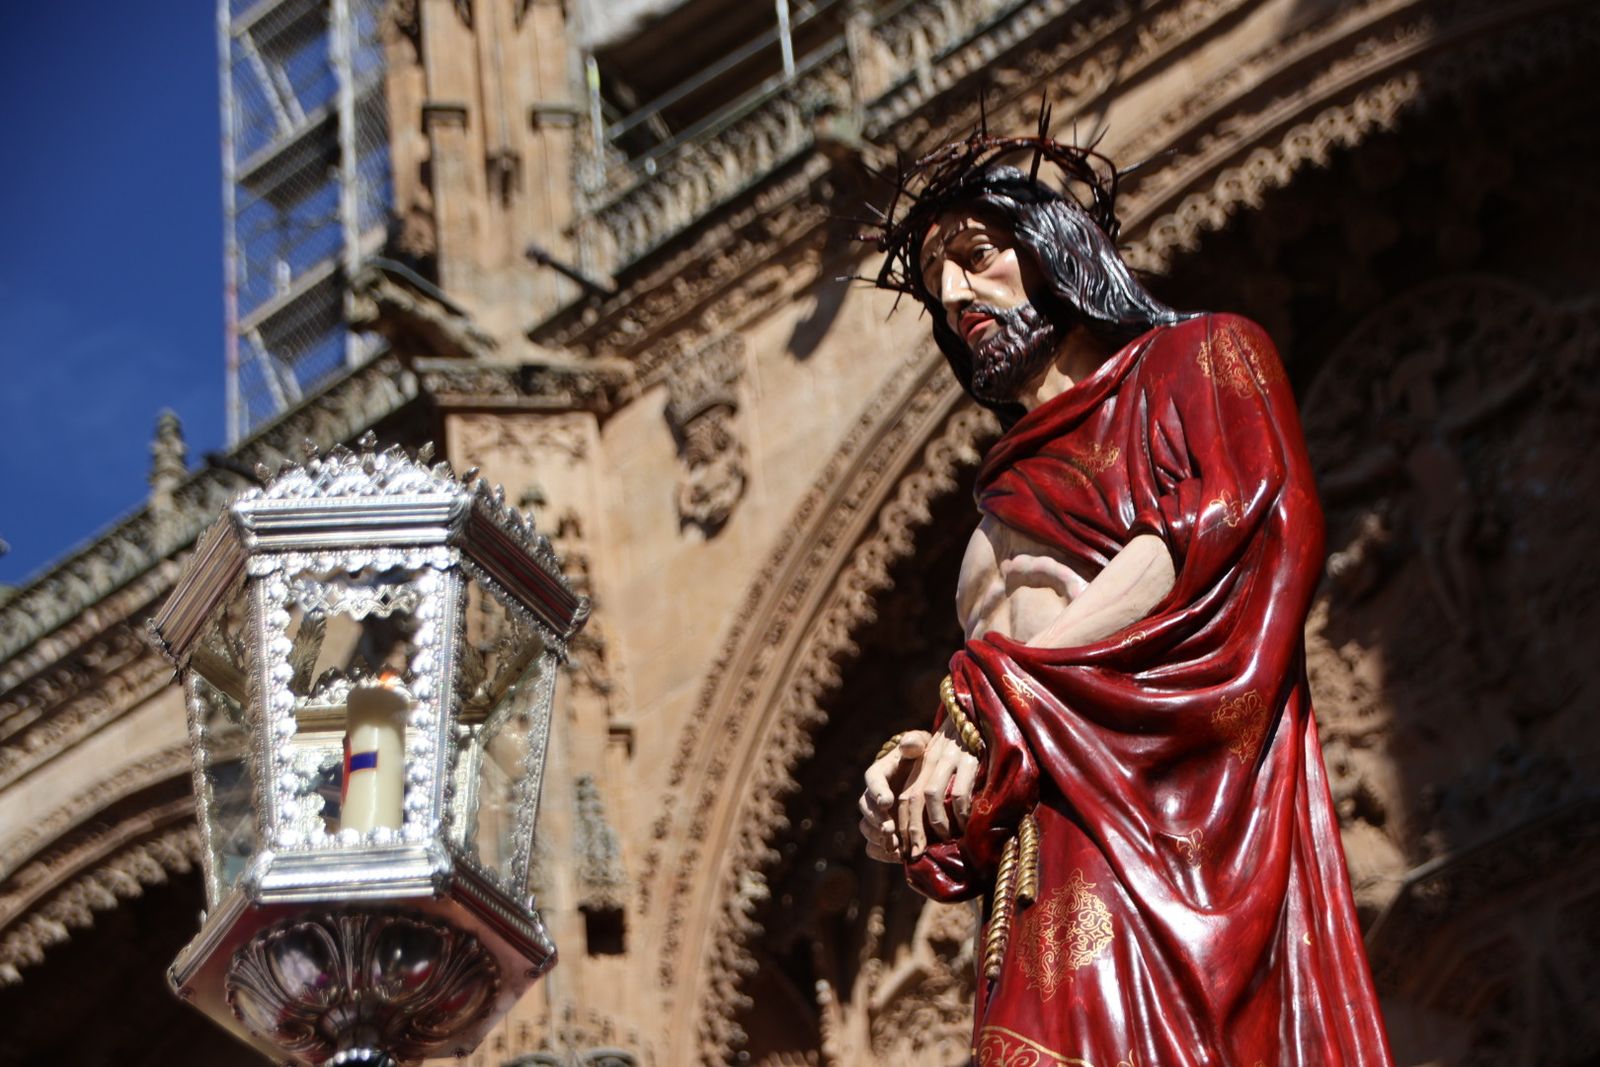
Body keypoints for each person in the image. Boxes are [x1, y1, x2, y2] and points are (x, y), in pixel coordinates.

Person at [856, 128, 1394, 1065]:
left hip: (1168, 842)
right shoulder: (991, 520)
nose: (952, 298)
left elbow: (1224, 530)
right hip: (1043, 870)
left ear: (1055, 247)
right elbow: (1003, 734)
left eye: (977, 257)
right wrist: (915, 784)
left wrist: (987, 697)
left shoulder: (1202, 359)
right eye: (941, 284)